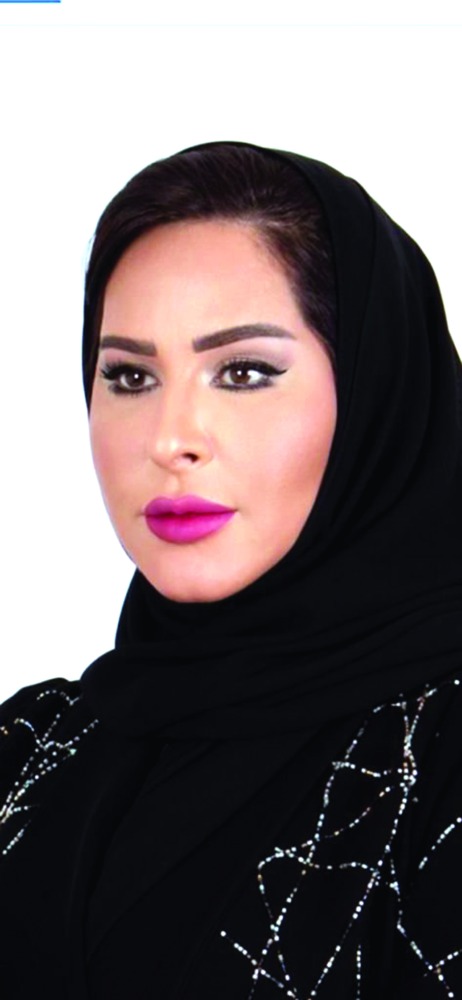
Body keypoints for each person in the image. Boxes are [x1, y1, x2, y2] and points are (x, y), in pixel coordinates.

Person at [0, 141, 461, 1000]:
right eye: (129, 376)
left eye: (244, 373)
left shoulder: (439, 764)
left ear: (373, 391)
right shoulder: (28, 749)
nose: (171, 438)